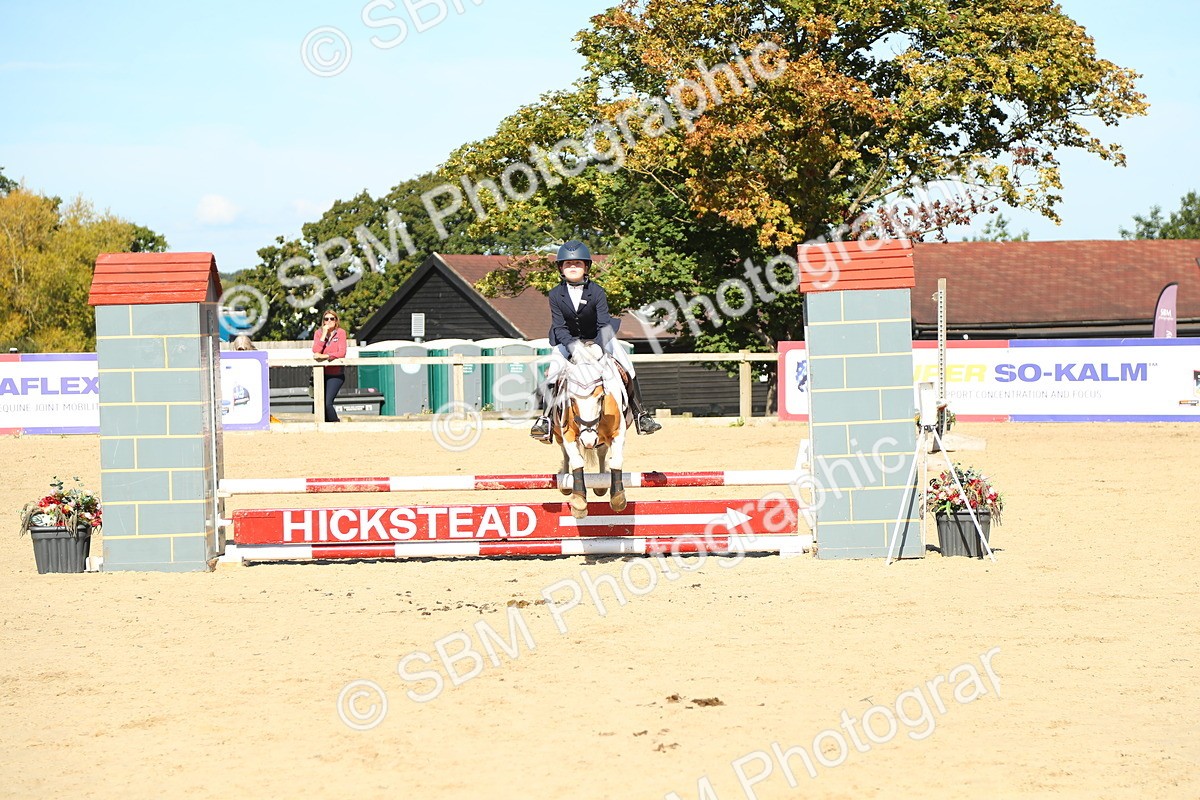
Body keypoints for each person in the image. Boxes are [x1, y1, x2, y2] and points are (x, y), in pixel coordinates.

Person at [531, 240, 661, 441]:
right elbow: (559, 326)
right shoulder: (556, 294)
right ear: (561, 268)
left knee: (627, 366)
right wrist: (573, 347)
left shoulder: (597, 291)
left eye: (577, 263)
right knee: (554, 371)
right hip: (568, 340)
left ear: (586, 267)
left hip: (599, 337)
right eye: (568, 264)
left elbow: (603, 324)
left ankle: (641, 414)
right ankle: (545, 419)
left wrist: (597, 347)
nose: (573, 267)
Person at [312, 310, 347, 422]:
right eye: (326, 319)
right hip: (321, 374)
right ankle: (325, 426)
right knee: (319, 404)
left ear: (336, 320)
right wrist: (323, 335)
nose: (329, 321)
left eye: (332, 319)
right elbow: (316, 351)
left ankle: (335, 423)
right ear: (323, 321)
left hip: (335, 374)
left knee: (327, 403)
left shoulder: (340, 333)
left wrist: (326, 356)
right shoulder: (318, 333)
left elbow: (342, 353)